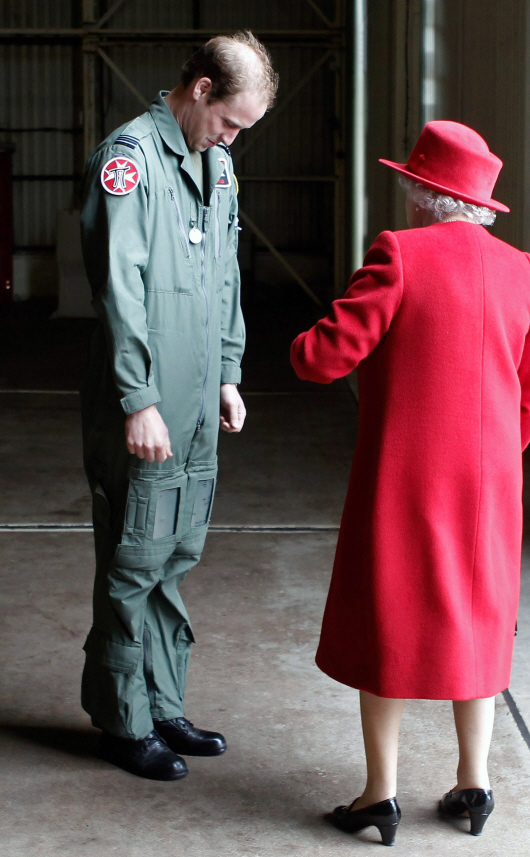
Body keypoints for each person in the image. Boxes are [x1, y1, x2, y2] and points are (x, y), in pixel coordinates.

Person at [291, 120, 530, 844]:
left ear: (422, 194)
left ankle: (379, 795)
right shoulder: (524, 270)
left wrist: (296, 342)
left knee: (393, 626)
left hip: (405, 482)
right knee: (478, 628)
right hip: (490, 488)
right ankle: (474, 785)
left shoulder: (399, 254)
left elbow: (327, 356)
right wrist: (497, 454)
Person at [79, 31, 277, 780]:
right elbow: (119, 289)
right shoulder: (128, 160)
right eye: (228, 121)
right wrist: (137, 397)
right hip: (147, 405)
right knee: (134, 558)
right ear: (198, 90)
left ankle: (163, 704)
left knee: (174, 556)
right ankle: (123, 720)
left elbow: (225, 273)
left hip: (197, 403)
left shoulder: (216, 166)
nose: (231, 138)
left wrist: (228, 371)